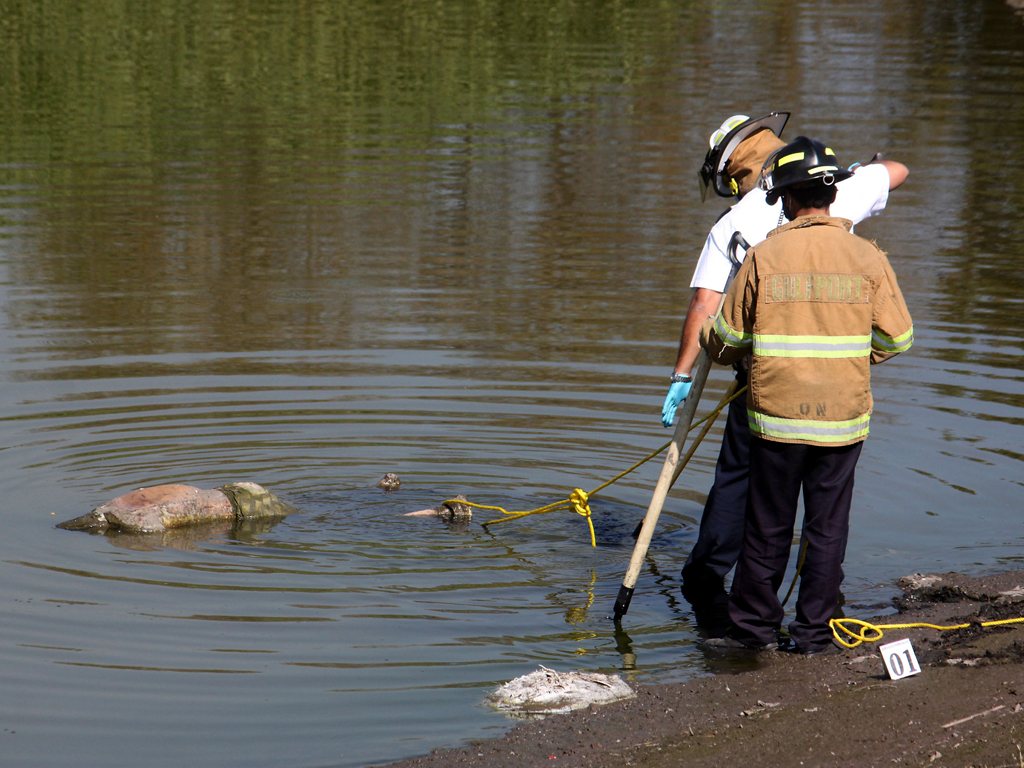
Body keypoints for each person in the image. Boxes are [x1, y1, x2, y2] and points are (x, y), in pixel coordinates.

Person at [663, 113, 909, 625]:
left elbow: (708, 311)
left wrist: (683, 375)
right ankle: (818, 624)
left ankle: (721, 593)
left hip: (766, 391)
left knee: (750, 497)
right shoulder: (849, 207)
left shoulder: (739, 231)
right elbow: (898, 170)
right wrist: (863, 170)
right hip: (842, 400)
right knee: (827, 520)